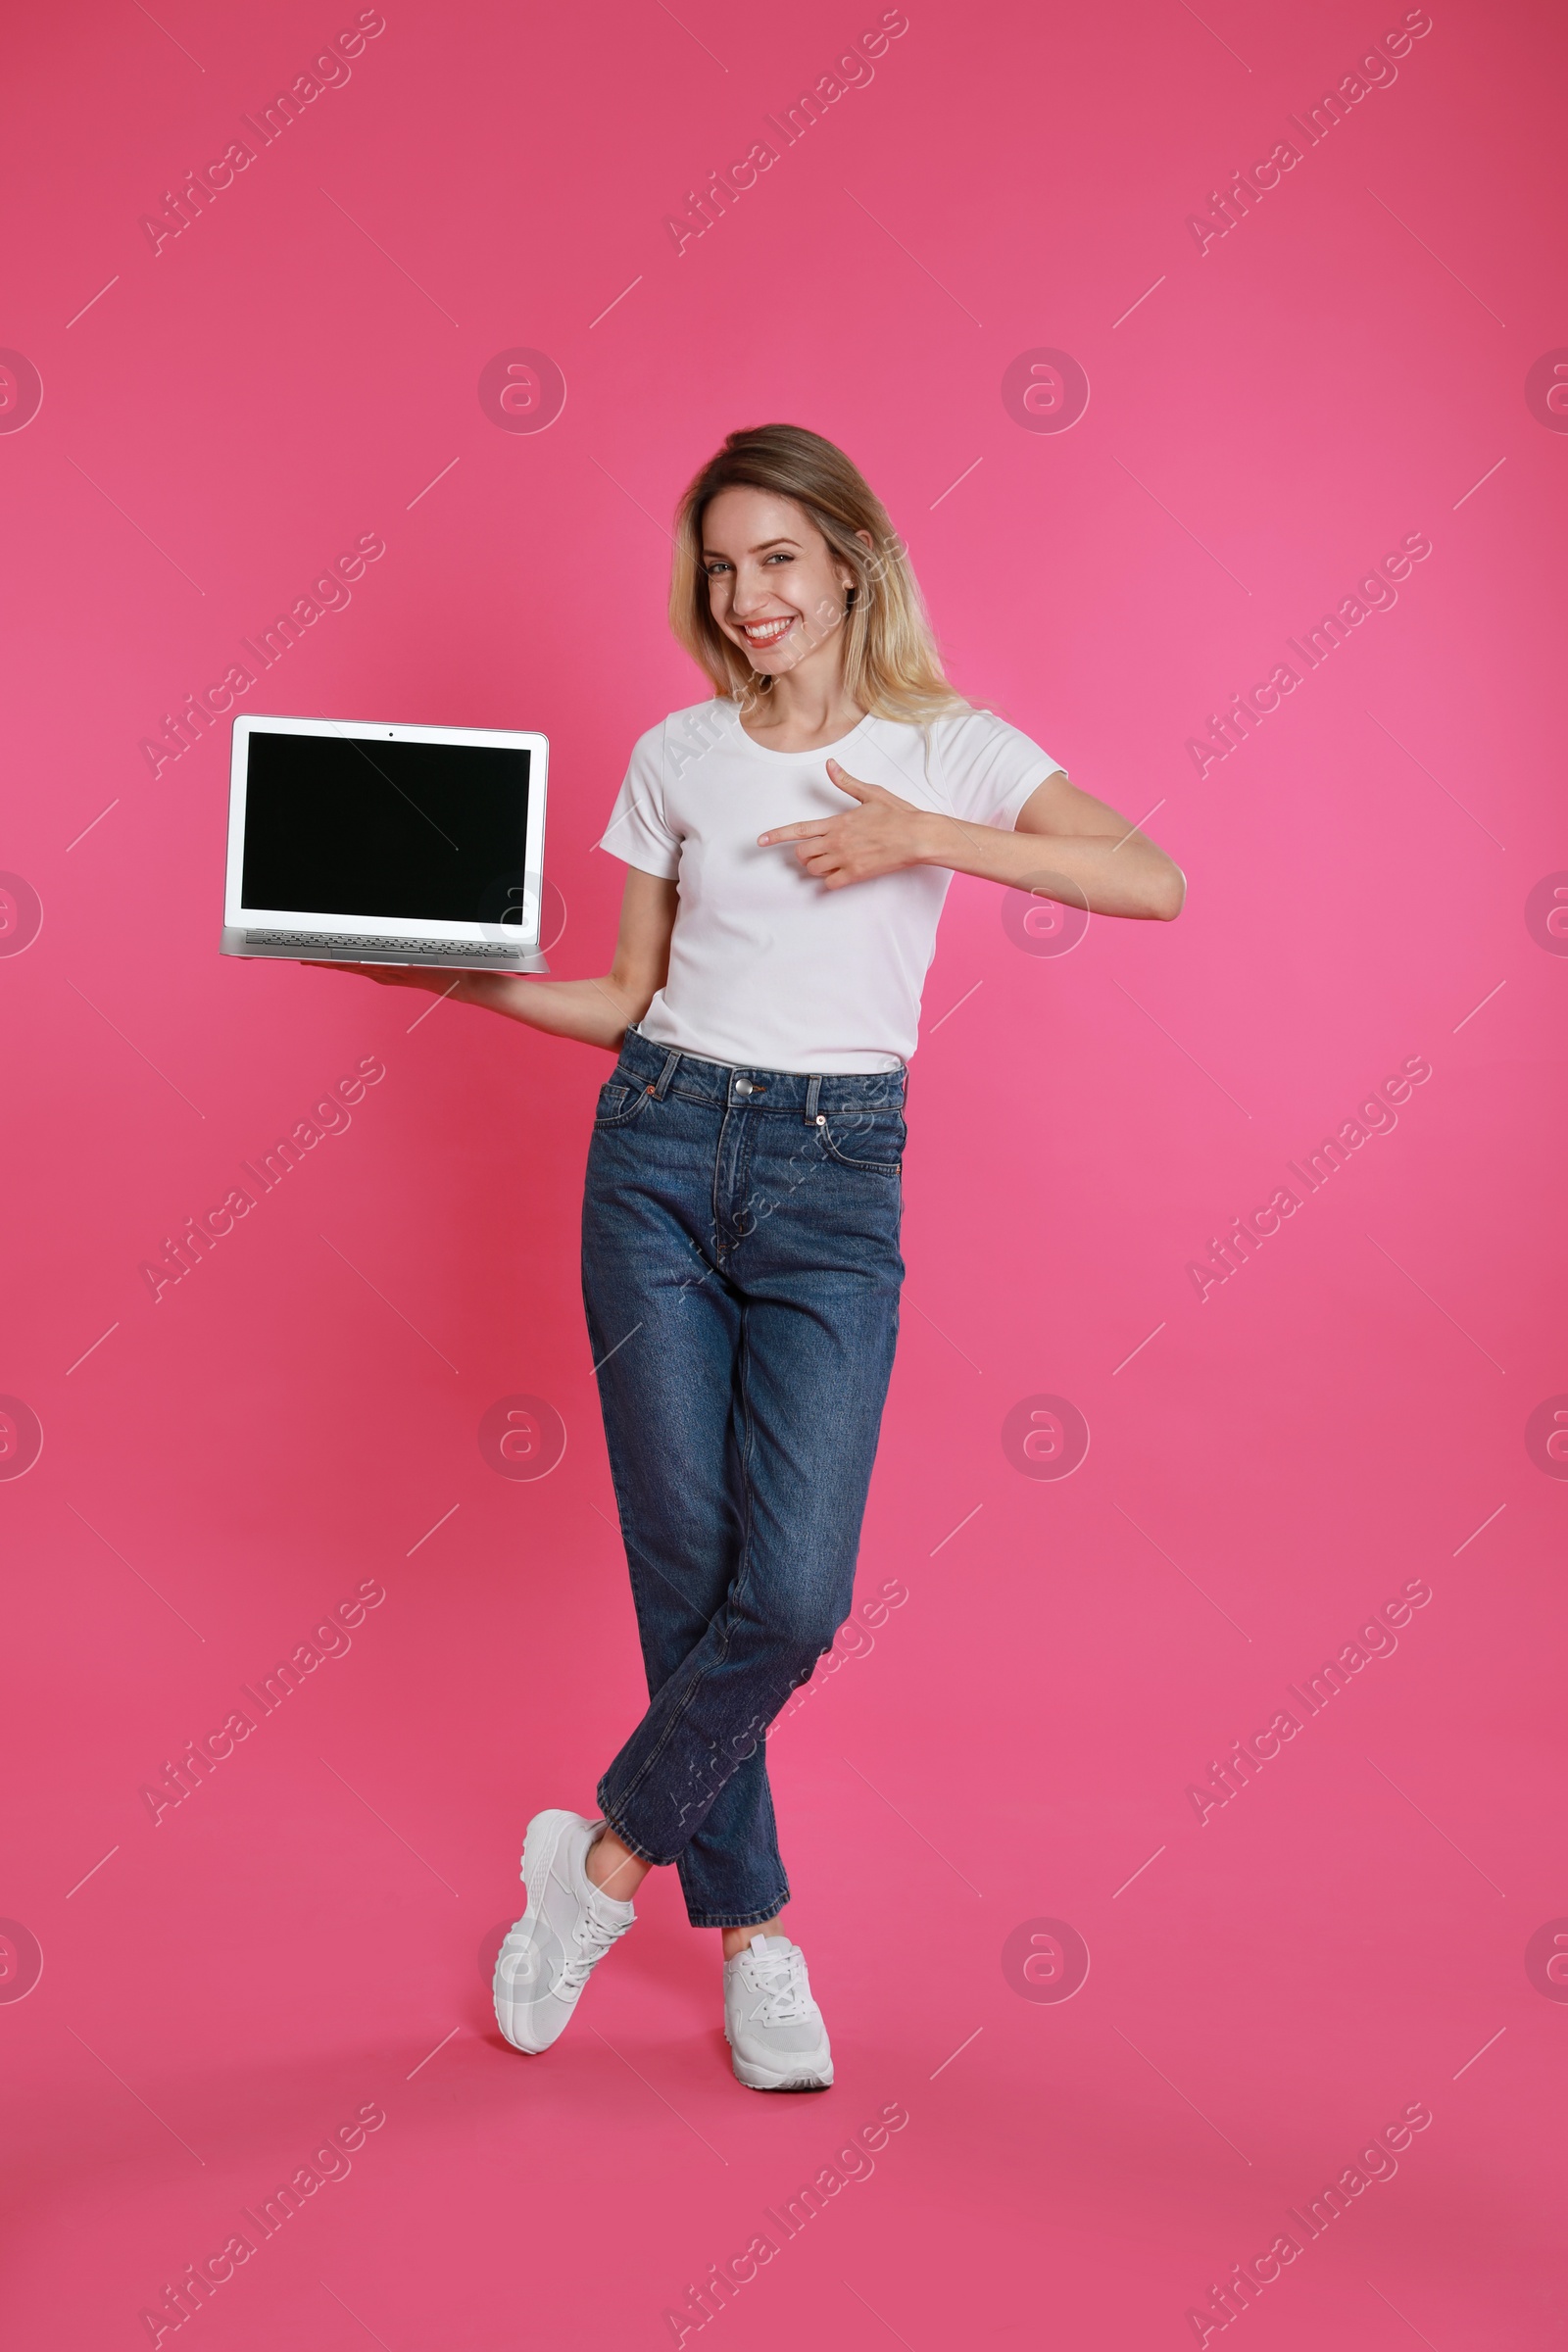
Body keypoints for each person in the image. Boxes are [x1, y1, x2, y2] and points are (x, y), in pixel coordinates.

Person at [313, 423, 1185, 2091]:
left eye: (778, 557)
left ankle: (601, 1864)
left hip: (838, 1179)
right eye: (724, 566)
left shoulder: (954, 744)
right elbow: (626, 1005)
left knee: (789, 1593)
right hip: (654, 1154)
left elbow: (1151, 875)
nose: (748, 595)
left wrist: (929, 837)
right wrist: (434, 979)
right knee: (689, 1565)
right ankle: (758, 1937)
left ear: (852, 558)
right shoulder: (678, 757)